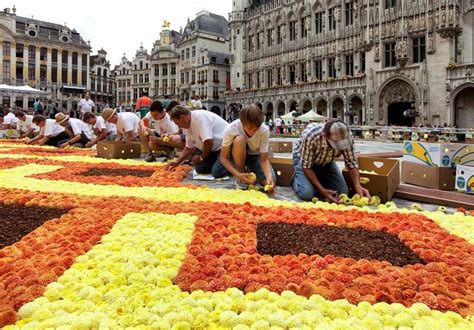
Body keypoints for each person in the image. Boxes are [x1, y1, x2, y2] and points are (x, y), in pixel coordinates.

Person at [292, 120, 371, 203]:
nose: (339, 147)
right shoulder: (311, 136)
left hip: (327, 161)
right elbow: (307, 167)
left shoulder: (346, 135)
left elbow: (351, 162)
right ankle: (296, 179)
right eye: (336, 144)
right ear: (325, 136)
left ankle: (317, 178)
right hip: (304, 161)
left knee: (342, 192)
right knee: (307, 193)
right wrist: (322, 190)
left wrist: (357, 185)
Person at [219, 104, 276, 191]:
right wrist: (238, 174)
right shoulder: (231, 129)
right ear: (242, 123)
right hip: (236, 155)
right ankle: (241, 174)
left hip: (254, 156)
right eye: (250, 128)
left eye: (257, 128)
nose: (254, 131)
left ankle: (250, 170)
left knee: (269, 183)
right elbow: (223, 158)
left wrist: (269, 176)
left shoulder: (264, 130)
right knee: (239, 140)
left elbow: (264, 159)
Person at [165, 106, 228, 175]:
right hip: (213, 151)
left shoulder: (200, 118)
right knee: (200, 169)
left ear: (182, 118)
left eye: (177, 124)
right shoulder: (187, 125)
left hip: (225, 148)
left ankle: (232, 161)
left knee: (217, 173)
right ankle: (218, 161)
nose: (179, 126)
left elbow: (208, 142)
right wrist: (177, 161)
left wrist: (201, 157)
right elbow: (189, 148)